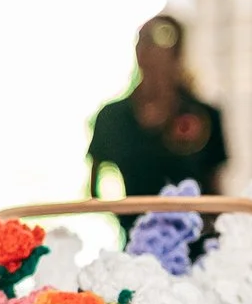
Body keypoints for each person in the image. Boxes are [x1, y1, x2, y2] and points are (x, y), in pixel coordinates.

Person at [87, 14, 229, 198]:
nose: (148, 49)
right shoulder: (112, 118)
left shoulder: (204, 116)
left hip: (195, 224)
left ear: (177, 51)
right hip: (135, 225)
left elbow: (215, 187)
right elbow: (95, 191)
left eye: (159, 38)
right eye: (142, 39)